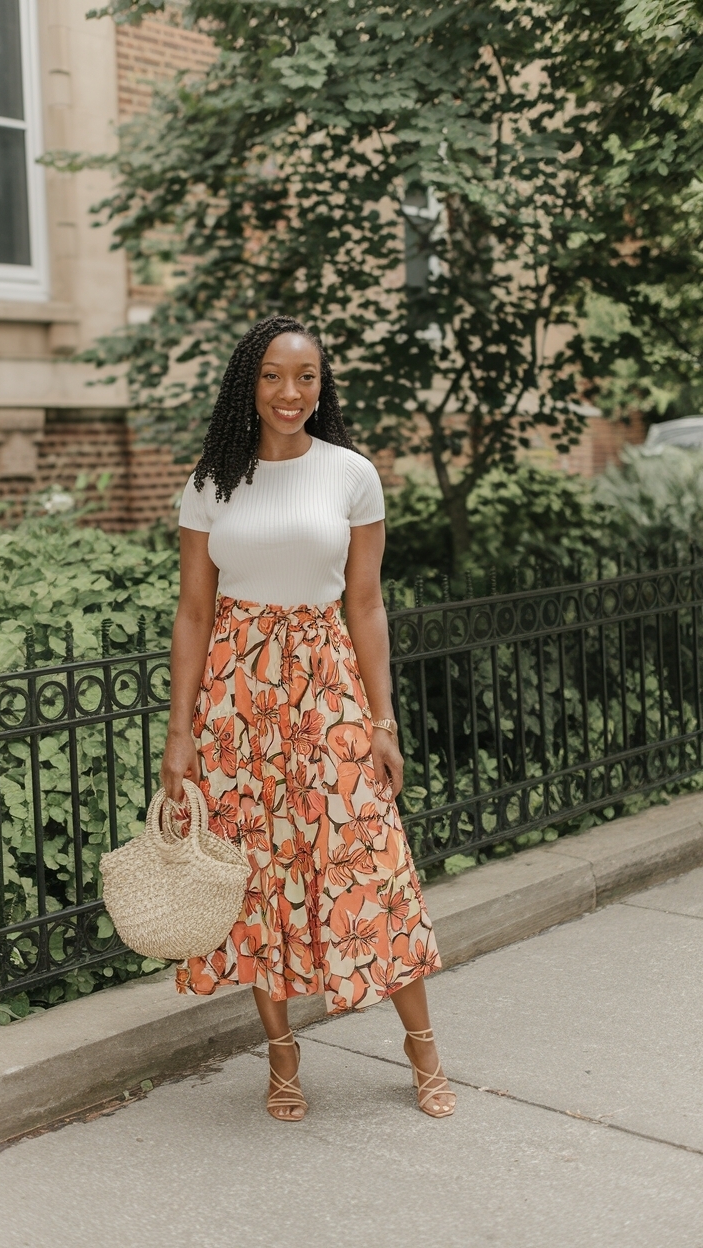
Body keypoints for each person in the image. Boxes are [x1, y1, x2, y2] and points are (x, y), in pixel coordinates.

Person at [160, 314, 455, 1122]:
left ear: (323, 387)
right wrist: (179, 731)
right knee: (255, 877)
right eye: (273, 376)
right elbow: (193, 612)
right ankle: (283, 1059)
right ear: (246, 385)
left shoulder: (351, 474)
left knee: (369, 862)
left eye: (307, 377)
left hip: (328, 694)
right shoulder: (212, 482)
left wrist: (384, 724)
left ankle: (423, 1050)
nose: (291, 392)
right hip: (235, 704)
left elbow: (365, 603)